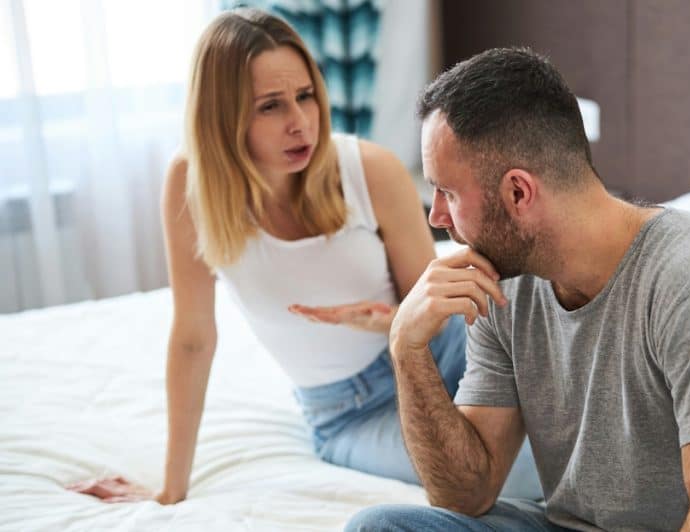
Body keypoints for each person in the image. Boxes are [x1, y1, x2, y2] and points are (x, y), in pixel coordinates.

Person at [65, 9, 541, 505]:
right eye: (270, 107)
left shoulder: (370, 171)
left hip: (442, 356)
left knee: (565, 416)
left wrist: (388, 323)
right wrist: (170, 490)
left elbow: (434, 314)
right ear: (223, 117)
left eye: (305, 96)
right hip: (352, 413)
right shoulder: (190, 187)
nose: (300, 124)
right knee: (523, 473)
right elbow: (192, 339)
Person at [345, 48, 690, 531]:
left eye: (447, 192)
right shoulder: (502, 286)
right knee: (380, 528)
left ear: (518, 193)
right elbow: (465, 495)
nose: (436, 218)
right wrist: (407, 350)